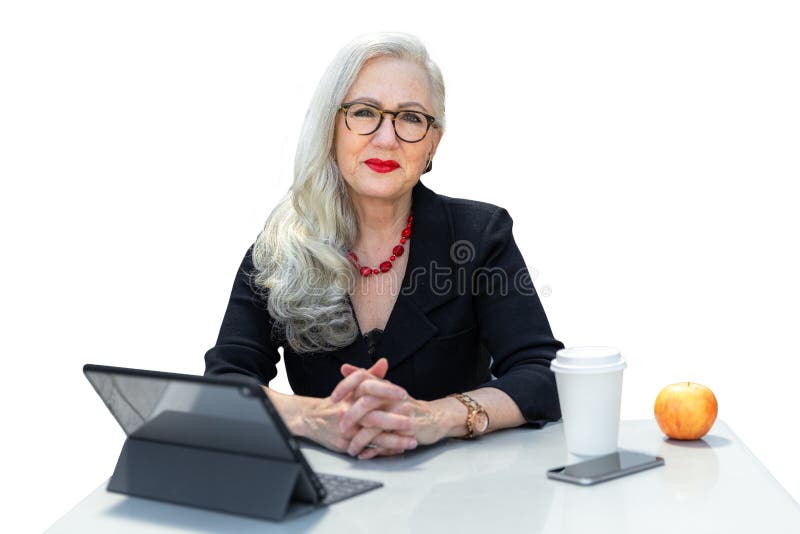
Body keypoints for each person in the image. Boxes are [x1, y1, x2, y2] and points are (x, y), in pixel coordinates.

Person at [204, 32, 563, 460]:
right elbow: (223, 386)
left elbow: (544, 375)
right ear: (331, 127)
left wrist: (438, 417)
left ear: (434, 142)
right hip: (328, 508)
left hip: (460, 500)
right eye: (364, 112)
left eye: (411, 118)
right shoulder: (281, 246)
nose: (387, 138)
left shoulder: (479, 235)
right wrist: (313, 418)